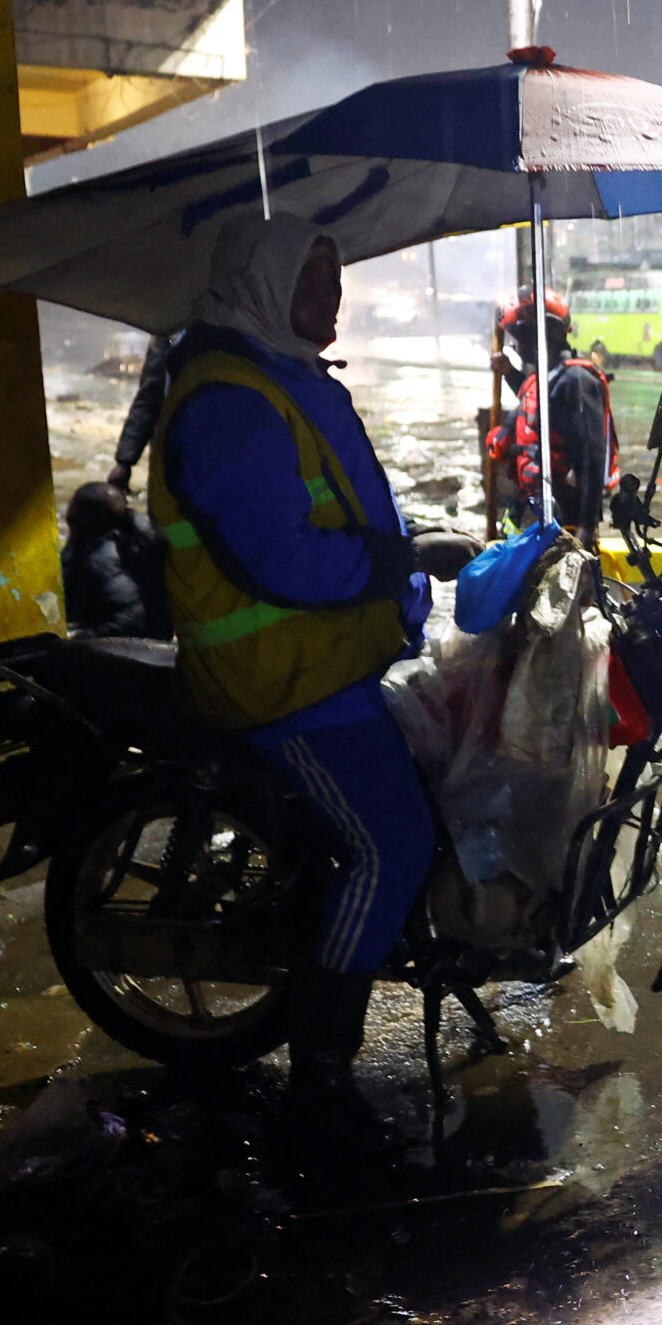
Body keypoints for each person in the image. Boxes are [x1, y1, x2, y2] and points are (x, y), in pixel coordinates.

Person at [149, 214, 481, 1147]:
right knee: (394, 845)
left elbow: (344, 504)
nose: (328, 299)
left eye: (334, 281)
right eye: (309, 281)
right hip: (281, 678)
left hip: (334, 654)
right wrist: (398, 558)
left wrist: (412, 549)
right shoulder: (228, 405)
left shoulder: (286, 376)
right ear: (259, 285)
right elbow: (283, 560)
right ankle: (321, 1071)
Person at [485, 289, 618, 536]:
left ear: (555, 332)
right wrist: (509, 373)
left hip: (564, 521)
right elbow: (540, 409)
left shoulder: (577, 381)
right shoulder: (545, 377)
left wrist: (586, 528)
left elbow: (591, 458)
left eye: (525, 335)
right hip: (534, 511)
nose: (518, 345)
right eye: (516, 336)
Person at [59, 481, 166, 639]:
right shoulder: (128, 536)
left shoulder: (102, 560)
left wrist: (77, 639)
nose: (69, 517)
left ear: (85, 520)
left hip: (137, 648)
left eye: (73, 516)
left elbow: (132, 619)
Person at [104, 333, 176, 494]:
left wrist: (125, 460)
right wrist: (125, 460)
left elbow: (150, 396)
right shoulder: (169, 335)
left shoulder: (170, 331)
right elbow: (150, 396)